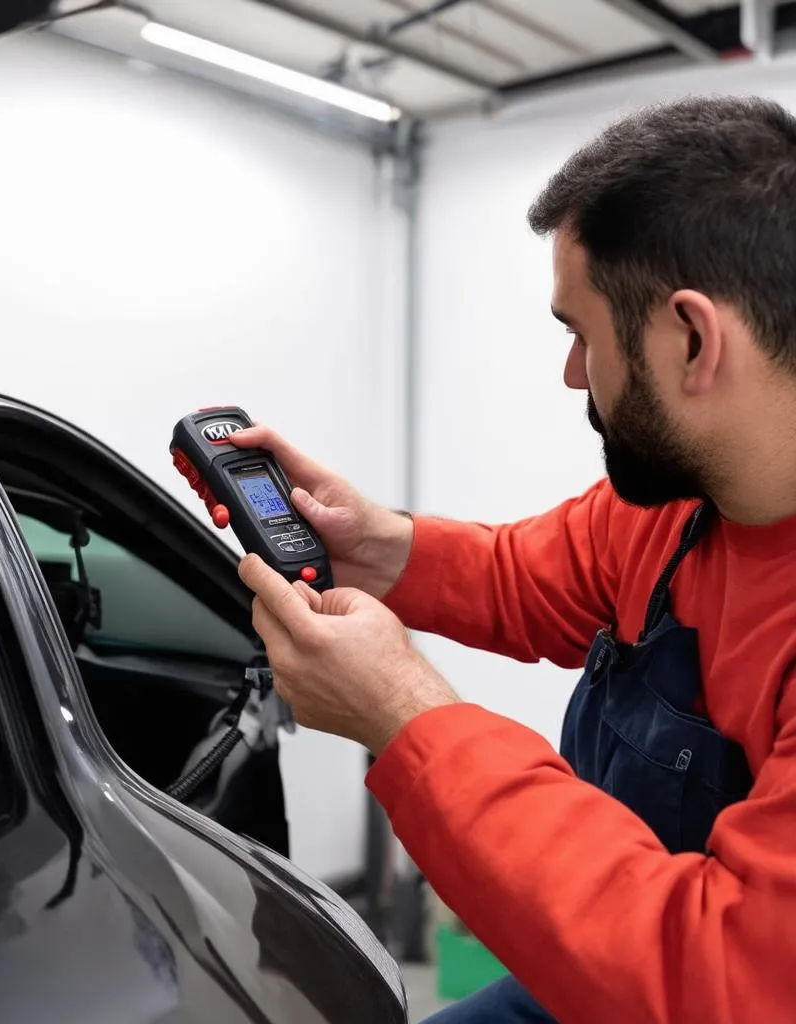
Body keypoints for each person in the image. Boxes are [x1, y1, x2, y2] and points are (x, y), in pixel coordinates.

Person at [223, 96, 796, 1022]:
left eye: (583, 333)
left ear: (692, 340)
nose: (574, 374)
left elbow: (727, 980)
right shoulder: (683, 504)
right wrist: (374, 545)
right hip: (613, 960)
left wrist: (403, 714)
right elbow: (527, 576)